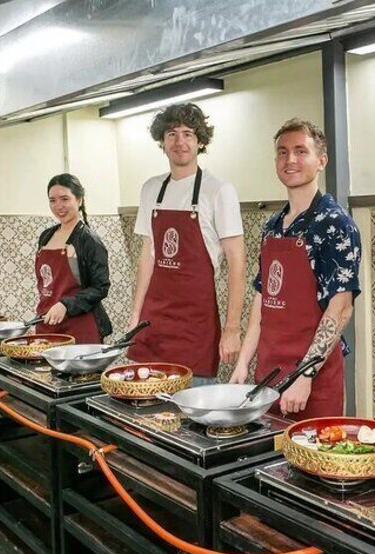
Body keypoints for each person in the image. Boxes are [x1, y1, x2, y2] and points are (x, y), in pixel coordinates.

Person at [230, 118, 361, 419]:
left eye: (301, 151)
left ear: (321, 161)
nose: (290, 159)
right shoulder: (272, 226)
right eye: (282, 152)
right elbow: (263, 298)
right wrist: (243, 364)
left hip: (313, 385)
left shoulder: (336, 225)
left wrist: (305, 376)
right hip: (268, 376)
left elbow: (340, 309)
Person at [126, 103, 245, 385]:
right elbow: (148, 256)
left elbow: (237, 263)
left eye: (188, 134)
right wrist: (135, 315)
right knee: (147, 410)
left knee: (189, 415)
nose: (180, 142)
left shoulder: (219, 190)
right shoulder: (150, 189)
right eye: (172, 134)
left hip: (195, 326)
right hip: (153, 323)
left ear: (200, 141)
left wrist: (232, 329)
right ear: (162, 142)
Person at [36, 173, 112, 344]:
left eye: (64, 199)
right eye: (52, 200)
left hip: (80, 327)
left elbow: (100, 287)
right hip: (48, 322)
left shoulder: (89, 240)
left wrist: (65, 305)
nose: (58, 206)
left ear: (79, 200)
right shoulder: (45, 237)